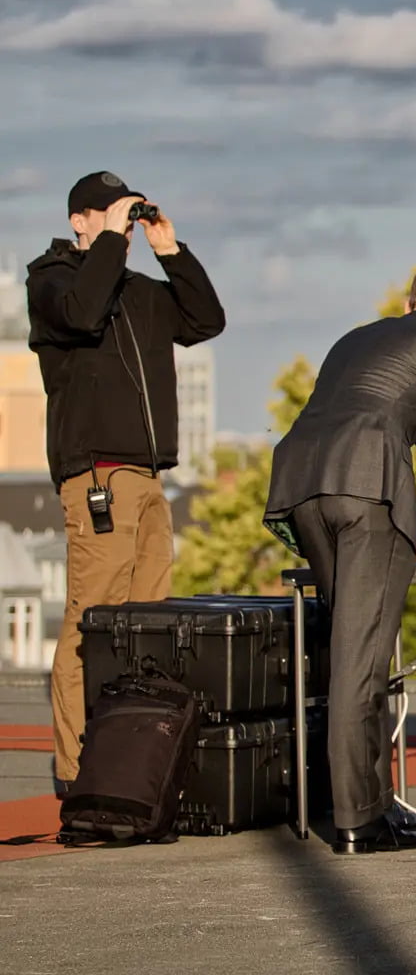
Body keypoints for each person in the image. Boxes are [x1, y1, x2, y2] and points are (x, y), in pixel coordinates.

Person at [264, 256, 416, 855]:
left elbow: (353, 416)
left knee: (348, 645)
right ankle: (358, 820)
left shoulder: (355, 339)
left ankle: (366, 803)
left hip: (301, 485)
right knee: (361, 662)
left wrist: (410, 541)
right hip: (367, 490)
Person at [26, 171, 226, 797]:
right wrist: (111, 239)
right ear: (80, 219)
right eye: (109, 215)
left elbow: (206, 320)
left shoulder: (138, 289)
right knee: (93, 620)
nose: (124, 228)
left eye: (128, 216)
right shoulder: (51, 281)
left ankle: (131, 769)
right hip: (96, 478)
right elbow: (84, 314)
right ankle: (75, 771)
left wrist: (170, 248)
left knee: (148, 625)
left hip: (146, 477)